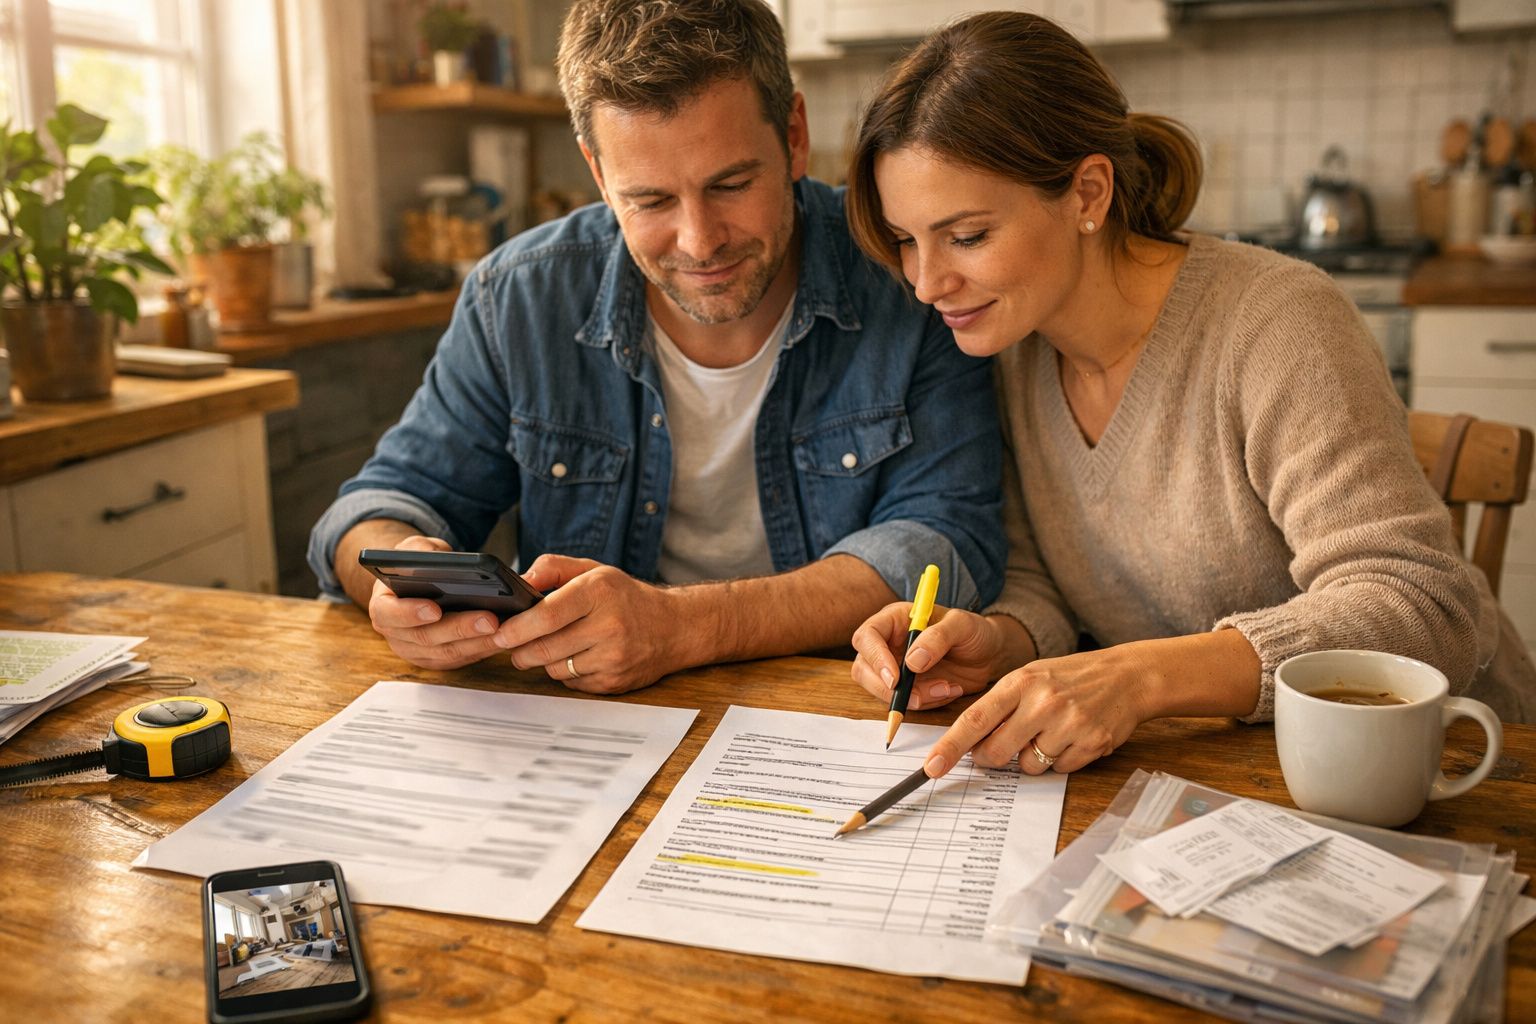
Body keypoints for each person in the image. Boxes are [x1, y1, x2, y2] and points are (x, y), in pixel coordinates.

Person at [842, 10, 1535, 782]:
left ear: (1087, 193)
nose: (927, 283)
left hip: (1449, 772)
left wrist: (1139, 679)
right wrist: (994, 642)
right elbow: (1047, 580)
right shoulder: (1012, 345)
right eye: (907, 239)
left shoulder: (1275, 323)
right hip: (1234, 774)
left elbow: (1424, 608)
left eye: (966, 236)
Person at [307, 0, 1004, 694]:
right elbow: (379, 504)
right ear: (598, 173)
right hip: (584, 727)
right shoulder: (518, 298)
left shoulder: (906, 273)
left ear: (794, 134)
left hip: (831, 708)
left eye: (731, 184)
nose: (700, 242)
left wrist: (686, 627)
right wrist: (393, 576)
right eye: (650, 201)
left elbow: (947, 537)